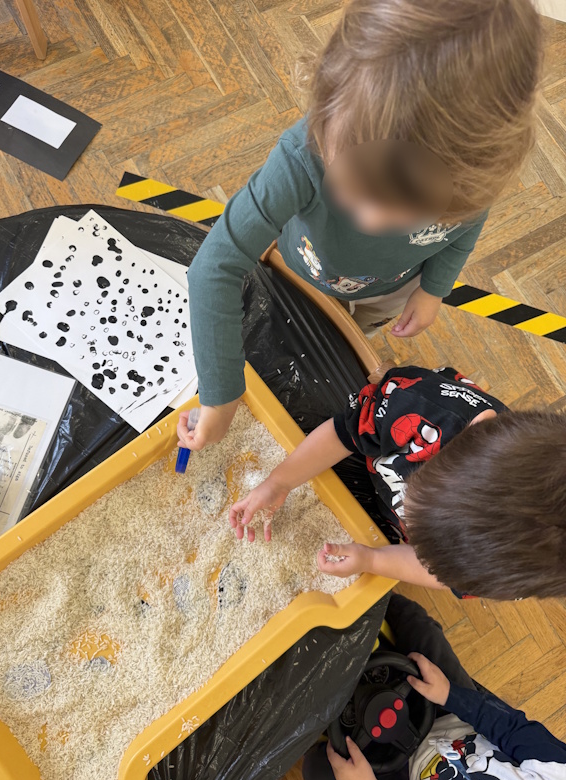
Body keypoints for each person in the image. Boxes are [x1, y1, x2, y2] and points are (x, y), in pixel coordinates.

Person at [180, 0, 543, 452]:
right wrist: (221, 394)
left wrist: (433, 290)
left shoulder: (470, 185)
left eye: (404, 212)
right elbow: (216, 265)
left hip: (391, 290)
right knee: (289, 325)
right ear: (326, 108)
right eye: (352, 189)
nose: (370, 221)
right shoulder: (301, 156)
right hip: (301, 270)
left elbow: (463, 230)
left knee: (352, 334)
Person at [228, 366, 566, 601]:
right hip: (387, 428)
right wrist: (279, 482)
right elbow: (344, 432)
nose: (410, 512)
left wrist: (372, 560)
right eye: (417, 491)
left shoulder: (503, 567)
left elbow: (437, 572)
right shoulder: (418, 408)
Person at [302, 594, 566, 780]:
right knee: (418, 626)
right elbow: (509, 727)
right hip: (455, 716)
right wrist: (449, 694)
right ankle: (368, 591)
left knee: (318, 773)